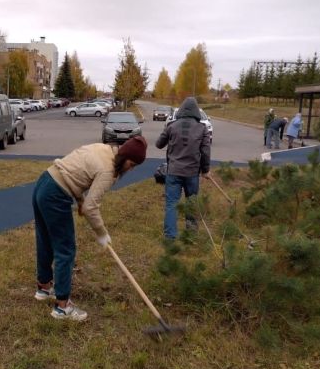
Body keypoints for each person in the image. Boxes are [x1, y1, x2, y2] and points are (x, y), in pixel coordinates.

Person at [32, 135, 148, 321]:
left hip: (44, 182)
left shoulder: (102, 149)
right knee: (66, 250)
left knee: (45, 239)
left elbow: (76, 172)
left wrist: (79, 199)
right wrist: (102, 233)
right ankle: (62, 307)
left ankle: (44, 288)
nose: (131, 169)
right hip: (55, 195)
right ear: (124, 156)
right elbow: (91, 208)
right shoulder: (108, 170)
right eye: (132, 164)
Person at [155, 97, 211, 240]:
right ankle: (191, 235)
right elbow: (205, 151)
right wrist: (205, 170)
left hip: (173, 171)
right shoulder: (202, 128)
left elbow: (158, 144)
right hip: (192, 173)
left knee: (171, 204)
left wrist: (167, 133)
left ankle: (170, 237)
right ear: (196, 112)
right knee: (191, 203)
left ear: (181, 110)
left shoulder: (171, 126)